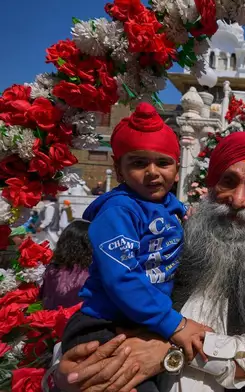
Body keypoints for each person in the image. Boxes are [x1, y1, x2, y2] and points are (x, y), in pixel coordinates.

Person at [53, 131, 245, 392]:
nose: (237, 200)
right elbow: (94, 311)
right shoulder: (163, 243)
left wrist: (176, 352)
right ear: (212, 186)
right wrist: (62, 371)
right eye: (228, 182)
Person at [61, 103, 208, 392]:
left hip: (144, 320)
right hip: (103, 325)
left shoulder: (170, 208)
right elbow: (122, 278)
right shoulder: (118, 212)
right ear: (118, 168)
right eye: (139, 163)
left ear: (177, 170)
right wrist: (175, 324)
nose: (152, 172)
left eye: (163, 163)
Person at [40, 220, 92, 310]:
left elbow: (43, 296)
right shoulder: (94, 272)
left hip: (50, 319)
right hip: (78, 320)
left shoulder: (52, 269)